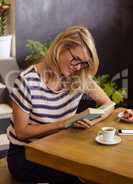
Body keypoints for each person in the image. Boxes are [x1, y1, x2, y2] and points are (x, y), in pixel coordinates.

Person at [7, 25, 112, 184]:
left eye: (83, 63)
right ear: (61, 47)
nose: (77, 67)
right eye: (76, 59)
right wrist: (63, 124)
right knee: (76, 175)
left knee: (101, 166)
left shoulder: (79, 77)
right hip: (25, 154)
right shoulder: (27, 81)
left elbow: (108, 104)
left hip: (59, 148)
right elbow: (21, 132)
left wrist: (92, 120)